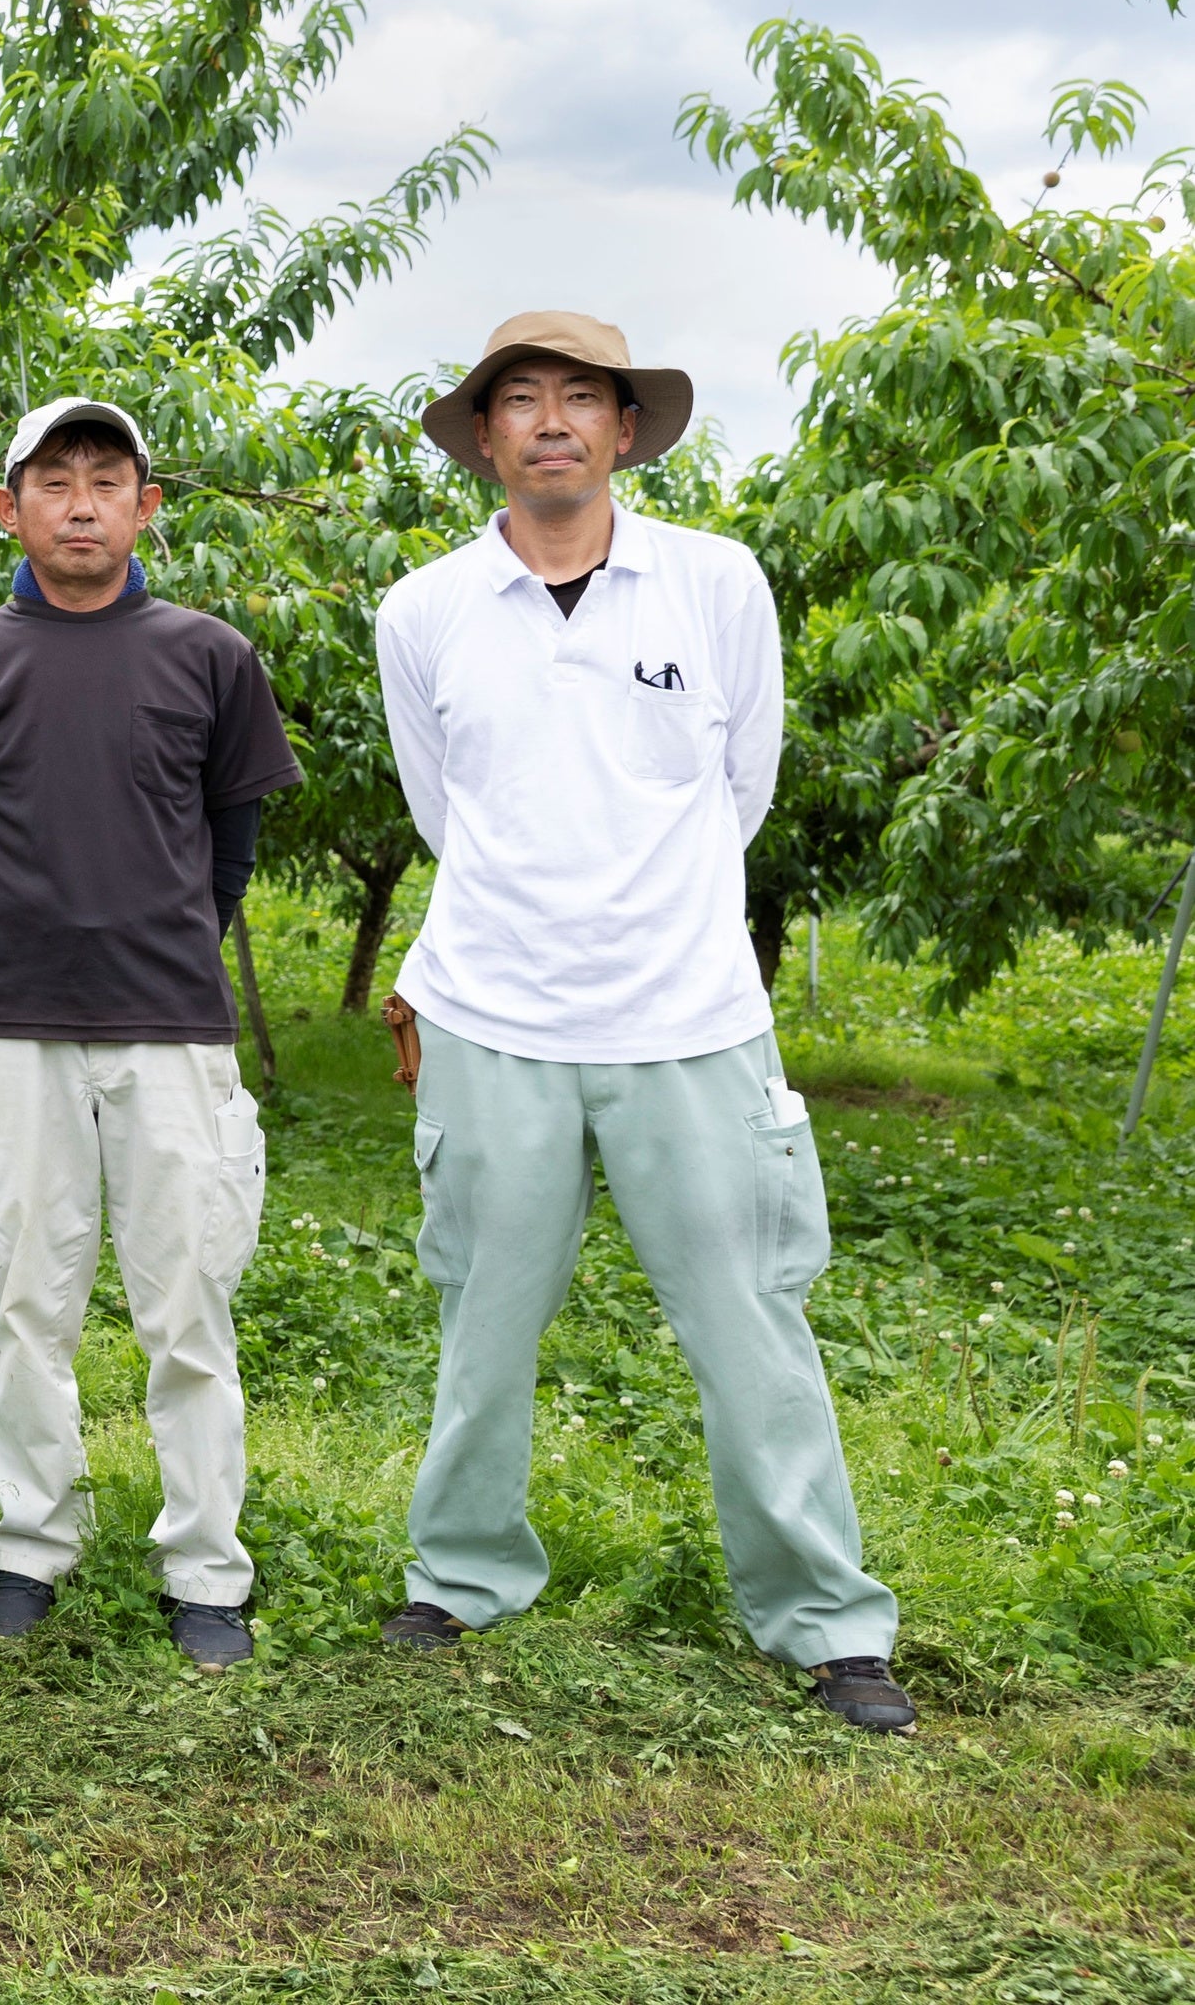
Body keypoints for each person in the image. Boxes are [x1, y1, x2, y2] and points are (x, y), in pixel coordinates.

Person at [375, 312, 913, 1731]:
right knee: (483, 1323)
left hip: (689, 1015)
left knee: (751, 1325)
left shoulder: (715, 583)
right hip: (494, 1015)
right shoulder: (424, 608)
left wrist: (646, 916)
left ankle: (826, 1619)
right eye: (521, 399)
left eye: (581, 397)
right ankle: (460, 1576)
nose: (551, 421)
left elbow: (742, 788)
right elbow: (447, 812)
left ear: (625, 430)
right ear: (484, 436)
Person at [0, 398, 302, 1671]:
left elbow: (229, 846)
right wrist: (35, 937)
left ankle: (206, 1570)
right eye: (54, 481)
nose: (81, 502)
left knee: (188, 1298)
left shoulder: (209, 655)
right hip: (14, 1020)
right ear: (6, 508)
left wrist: (154, 936)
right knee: (28, 1294)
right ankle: (30, 1548)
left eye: (106, 479)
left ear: (144, 506)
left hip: (170, 1019)